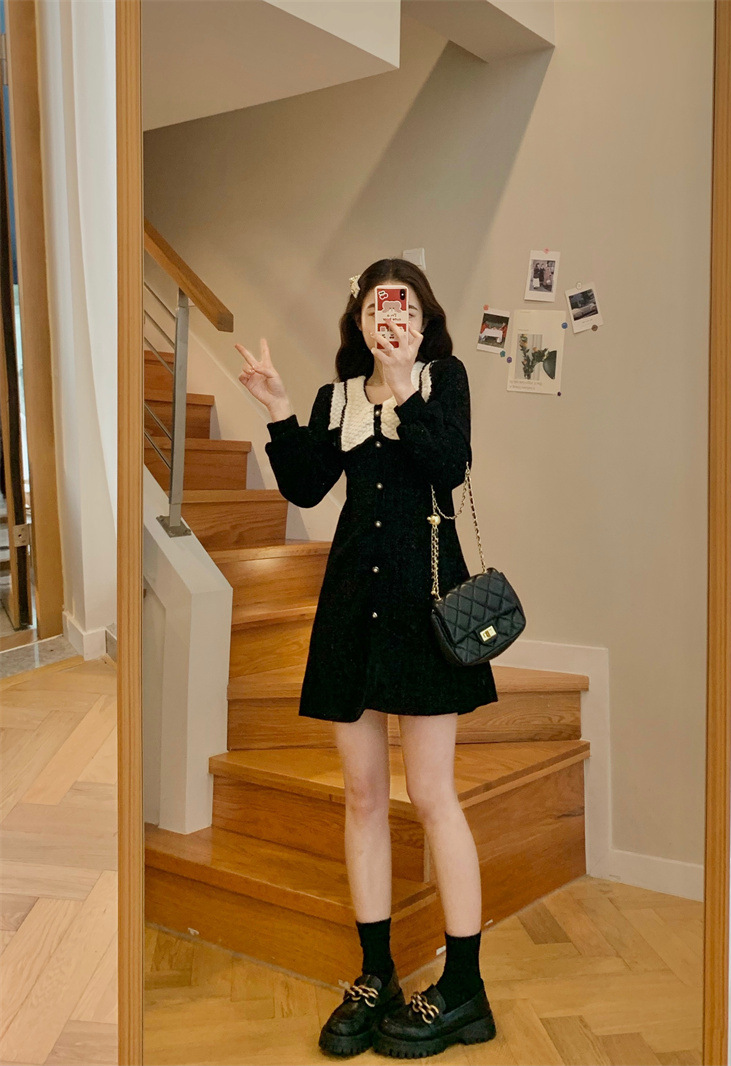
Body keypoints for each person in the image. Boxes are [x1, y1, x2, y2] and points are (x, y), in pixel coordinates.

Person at [235, 259, 498, 1059]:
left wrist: (403, 384)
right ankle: (376, 973)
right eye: (379, 309)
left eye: (404, 307)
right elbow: (307, 488)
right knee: (361, 797)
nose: (391, 319)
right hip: (352, 609)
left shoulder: (443, 380)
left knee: (435, 794)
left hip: (423, 612)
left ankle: (464, 988)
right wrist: (280, 408)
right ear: (359, 319)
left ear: (423, 318)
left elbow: (448, 466)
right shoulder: (337, 398)